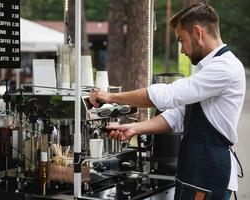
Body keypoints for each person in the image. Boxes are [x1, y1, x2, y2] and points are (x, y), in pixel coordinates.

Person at [89, 3, 245, 200]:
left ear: (198, 32)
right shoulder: (209, 69)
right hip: (193, 172)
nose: (182, 50)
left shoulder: (225, 68)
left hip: (209, 174)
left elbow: (169, 95)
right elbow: (177, 116)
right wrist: (136, 128)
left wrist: (111, 97)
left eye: (182, 40)